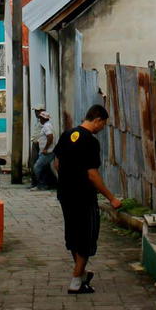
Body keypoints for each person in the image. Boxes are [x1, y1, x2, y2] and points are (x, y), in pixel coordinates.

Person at [53, 104, 122, 294]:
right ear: (97, 120)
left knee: (73, 234)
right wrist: (111, 198)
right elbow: (92, 174)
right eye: (103, 124)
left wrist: (68, 179)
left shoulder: (68, 135)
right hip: (83, 196)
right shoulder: (90, 142)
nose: (102, 128)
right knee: (87, 236)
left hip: (65, 194)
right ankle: (76, 281)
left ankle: (81, 274)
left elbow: (57, 164)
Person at [32, 111, 56, 190]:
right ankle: (48, 184)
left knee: (37, 167)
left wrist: (45, 148)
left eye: (40, 118)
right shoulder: (48, 125)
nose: (39, 120)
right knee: (46, 169)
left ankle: (41, 185)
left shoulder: (47, 126)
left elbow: (50, 137)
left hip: (47, 152)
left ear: (43, 118)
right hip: (46, 151)